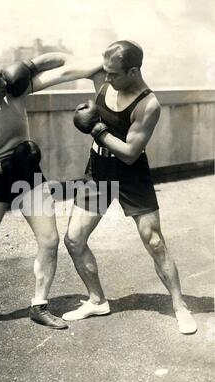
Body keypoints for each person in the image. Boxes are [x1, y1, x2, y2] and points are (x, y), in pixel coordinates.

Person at [0, 52, 102, 334]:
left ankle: (39, 306)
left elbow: (59, 72)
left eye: (2, 74)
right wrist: (5, 165)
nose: (4, 82)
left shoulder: (13, 90)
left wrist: (97, 63)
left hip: (29, 176)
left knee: (49, 241)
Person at [62, 40, 197, 335]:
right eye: (105, 71)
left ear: (133, 71)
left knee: (155, 242)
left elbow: (129, 152)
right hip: (99, 170)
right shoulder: (105, 78)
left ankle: (180, 307)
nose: (105, 78)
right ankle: (97, 300)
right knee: (73, 240)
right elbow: (65, 66)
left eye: (112, 74)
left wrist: (96, 128)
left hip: (130, 172)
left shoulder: (149, 104)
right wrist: (30, 72)